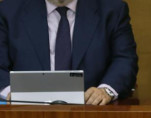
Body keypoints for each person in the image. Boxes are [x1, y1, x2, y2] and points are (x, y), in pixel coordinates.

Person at [0, 0, 139, 105]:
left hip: (92, 113)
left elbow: (125, 59)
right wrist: (13, 93)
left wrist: (105, 90)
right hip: (25, 115)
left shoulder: (112, 10)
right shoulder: (8, 11)